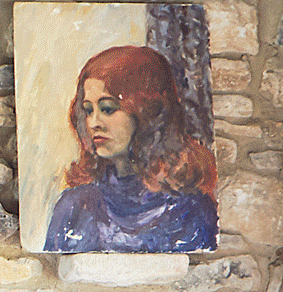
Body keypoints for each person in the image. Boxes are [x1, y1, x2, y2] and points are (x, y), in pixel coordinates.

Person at [43, 44, 216, 253]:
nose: (93, 123)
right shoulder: (75, 205)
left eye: (108, 109)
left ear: (146, 112)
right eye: (88, 110)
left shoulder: (192, 210)